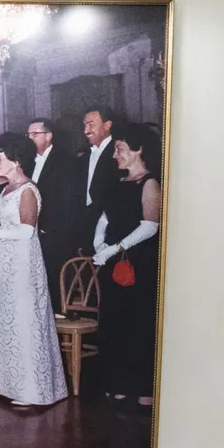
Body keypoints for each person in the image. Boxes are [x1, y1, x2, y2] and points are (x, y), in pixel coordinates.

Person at [0, 133, 68, 407]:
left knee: (25, 319)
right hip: (8, 260)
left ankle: (33, 390)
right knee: (10, 318)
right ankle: (11, 384)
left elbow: (25, 230)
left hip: (24, 261)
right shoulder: (6, 188)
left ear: (16, 160)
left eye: (1, 157)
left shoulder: (27, 189)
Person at [92, 122, 163, 406]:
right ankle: (117, 384)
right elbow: (105, 218)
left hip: (140, 263)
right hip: (113, 260)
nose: (115, 155)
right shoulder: (117, 183)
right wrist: (99, 244)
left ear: (139, 149)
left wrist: (113, 250)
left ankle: (143, 390)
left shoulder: (150, 183)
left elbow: (150, 226)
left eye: (119, 149)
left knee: (138, 325)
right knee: (115, 322)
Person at [27, 118, 79, 311]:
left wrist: (48, 228)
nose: (30, 138)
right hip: (34, 234)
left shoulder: (65, 161)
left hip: (55, 236)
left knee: (54, 288)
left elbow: (66, 200)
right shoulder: (28, 162)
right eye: (28, 134)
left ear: (48, 136)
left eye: (35, 134)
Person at [82, 106, 124, 234]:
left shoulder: (120, 153)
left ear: (107, 125)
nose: (86, 130)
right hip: (86, 226)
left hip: (112, 226)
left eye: (91, 125)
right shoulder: (83, 156)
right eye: (84, 125)